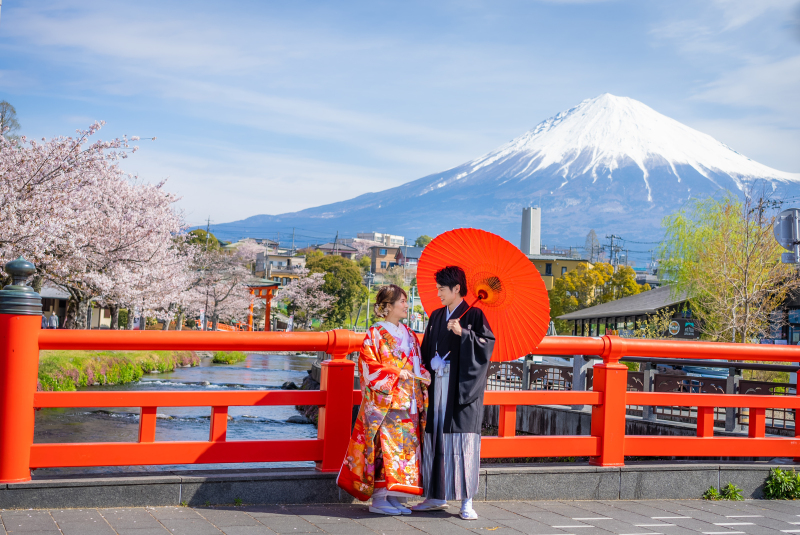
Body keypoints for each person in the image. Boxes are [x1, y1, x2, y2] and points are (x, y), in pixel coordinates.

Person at [337, 284, 431, 515]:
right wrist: (396, 373)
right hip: (386, 400)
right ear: (387, 306)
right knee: (383, 448)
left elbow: (417, 362)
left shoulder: (409, 333)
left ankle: (394, 494)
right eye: (402, 301)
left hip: (408, 397)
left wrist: (424, 374)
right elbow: (369, 367)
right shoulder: (375, 333)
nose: (407, 305)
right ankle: (379, 498)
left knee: (405, 449)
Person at [412, 266, 495, 520]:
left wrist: (465, 334)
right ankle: (435, 495)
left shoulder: (475, 316)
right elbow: (426, 350)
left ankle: (467, 501)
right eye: (437, 288)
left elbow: (486, 347)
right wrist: (430, 365)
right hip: (438, 387)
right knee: (436, 437)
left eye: (441, 289)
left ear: (457, 288)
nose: (438, 293)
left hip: (461, 392)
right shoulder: (436, 316)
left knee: (462, 442)